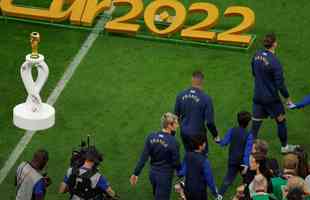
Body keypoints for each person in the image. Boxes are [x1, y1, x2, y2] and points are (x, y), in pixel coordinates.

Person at [250, 33, 297, 153]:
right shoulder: (275, 62)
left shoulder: (256, 55)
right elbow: (280, 84)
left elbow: (253, 72)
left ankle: (250, 147)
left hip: (258, 96)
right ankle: (284, 147)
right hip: (271, 99)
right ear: (274, 44)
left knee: (256, 122)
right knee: (281, 120)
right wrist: (287, 98)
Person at [130, 112, 181, 200]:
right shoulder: (174, 142)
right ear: (169, 125)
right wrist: (182, 177)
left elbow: (143, 158)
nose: (178, 125)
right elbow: (176, 163)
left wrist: (135, 173)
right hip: (165, 177)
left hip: (153, 174)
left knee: (157, 193)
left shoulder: (151, 137)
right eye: (176, 123)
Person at [174, 70, 220, 153]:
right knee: (201, 158)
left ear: (192, 79)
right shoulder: (206, 99)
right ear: (202, 81)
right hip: (198, 135)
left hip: (184, 133)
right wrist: (215, 135)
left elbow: (175, 116)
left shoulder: (180, 95)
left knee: (189, 156)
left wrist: (182, 127)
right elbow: (209, 122)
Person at [178, 134, 222, 200]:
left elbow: (182, 172)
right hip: (199, 192)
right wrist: (215, 194)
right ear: (200, 146)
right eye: (204, 143)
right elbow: (210, 180)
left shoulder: (187, 155)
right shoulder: (204, 161)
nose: (205, 144)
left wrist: (181, 183)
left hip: (188, 189)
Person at [218, 111, 252, 196]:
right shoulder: (249, 135)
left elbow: (224, 143)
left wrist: (218, 140)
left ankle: (219, 196)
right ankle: (247, 194)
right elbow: (247, 152)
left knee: (227, 180)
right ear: (248, 123)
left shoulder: (232, 130)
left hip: (232, 160)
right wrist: (246, 164)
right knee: (247, 179)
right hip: (242, 163)